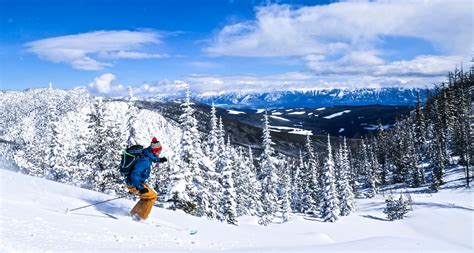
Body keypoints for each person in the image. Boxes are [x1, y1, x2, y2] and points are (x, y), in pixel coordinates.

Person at [125, 137, 168, 220]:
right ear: (154, 150)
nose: (159, 153)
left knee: (147, 196)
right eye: (158, 151)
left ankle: (135, 214)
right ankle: (140, 218)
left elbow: (152, 157)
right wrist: (139, 188)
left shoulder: (146, 152)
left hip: (137, 182)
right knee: (152, 196)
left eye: (160, 151)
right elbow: (134, 175)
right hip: (134, 183)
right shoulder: (144, 161)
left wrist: (159, 160)